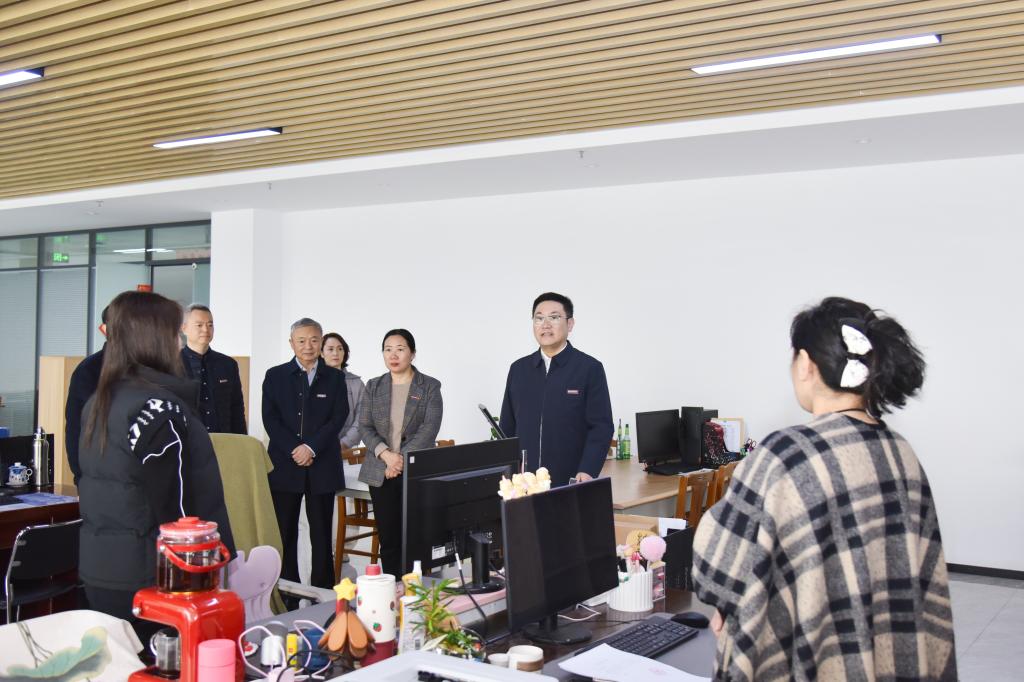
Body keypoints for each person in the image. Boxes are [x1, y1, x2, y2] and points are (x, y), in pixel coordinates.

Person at [693, 297, 956, 681]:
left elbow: (718, 566)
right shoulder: (901, 451)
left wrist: (725, 603)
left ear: (805, 364)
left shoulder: (786, 453)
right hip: (889, 654)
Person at [78, 291, 235, 641]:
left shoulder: (101, 400)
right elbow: (178, 512)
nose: (178, 342)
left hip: (102, 569)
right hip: (154, 575)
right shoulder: (158, 408)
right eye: (174, 332)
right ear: (155, 339)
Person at [262, 318, 348, 588]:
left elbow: (338, 417)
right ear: (292, 343)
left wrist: (310, 447)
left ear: (321, 342)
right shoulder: (275, 376)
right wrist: (295, 449)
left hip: (322, 465)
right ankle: (287, 590)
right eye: (301, 341)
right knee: (284, 532)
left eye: (313, 340)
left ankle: (323, 591)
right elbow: (270, 419)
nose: (308, 346)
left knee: (322, 534)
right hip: (284, 465)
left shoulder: (335, 378)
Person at [499, 292, 613, 487]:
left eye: (554, 317)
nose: (545, 325)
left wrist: (588, 469)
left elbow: (601, 427)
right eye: (539, 318)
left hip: (571, 481)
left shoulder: (589, 368)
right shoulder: (518, 369)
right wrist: (508, 473)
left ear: (570, 324)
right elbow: (507, 428)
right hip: (524, 483)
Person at [358, 329, 442, 576]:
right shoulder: (374, 386)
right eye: (388, 349)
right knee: (389, 538)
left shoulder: (429, 386)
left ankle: (415, 589)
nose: (393, 355)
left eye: (400, 349)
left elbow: (429, 428)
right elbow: (364, 426)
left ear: (412, 354)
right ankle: (393, 588)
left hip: (414, 471)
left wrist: (400, 460)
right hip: (380, 472)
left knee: (416, 535)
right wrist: (386, 455)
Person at [179, 303, 247, 434]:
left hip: (222, 439)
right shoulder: (172, 363)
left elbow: (237, 408)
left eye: (210, 325)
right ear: (184, 328)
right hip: (187, 439)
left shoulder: (228, 364)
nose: (206, 329)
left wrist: (241, 440)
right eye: (199, 325)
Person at [64, 305, 110, 485]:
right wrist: (81, 477)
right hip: (97, 478)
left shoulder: (146, 368)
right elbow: (76, 427)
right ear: (105, 329)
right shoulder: (90, 369)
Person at [322, 332, 365, 449]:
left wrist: (345, 443)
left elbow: (362, 418)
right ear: (321, 353)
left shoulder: (357, 383)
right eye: (330, 349)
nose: (335, 353)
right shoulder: (311, 381)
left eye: (340, 349)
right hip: (316, 450)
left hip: (347, 450)